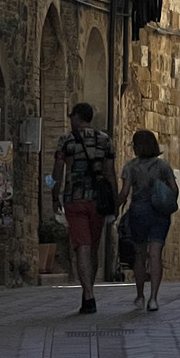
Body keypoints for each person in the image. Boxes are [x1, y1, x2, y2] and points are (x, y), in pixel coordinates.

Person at [51, 103, 116, 314]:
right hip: (98, 201)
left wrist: (53, 193)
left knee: (82, 247)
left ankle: (88, 295)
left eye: (72, 116)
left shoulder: (66, 141)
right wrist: (114, 202)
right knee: (93, 248)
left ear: (78, 117)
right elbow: (110, 174)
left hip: (74, 199)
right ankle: (89, 289)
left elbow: (57, 173)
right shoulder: (105, 141)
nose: (70, 120)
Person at [117, 129, 178, 312]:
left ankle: (140, 295)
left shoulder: (130, 167)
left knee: (140, 254)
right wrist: (166, 201)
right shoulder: (163, 166)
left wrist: (114, 207)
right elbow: (174, 189)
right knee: (155, 253)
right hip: (159, 214)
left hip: (139, 213)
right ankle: (154, 298)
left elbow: (125, 192)